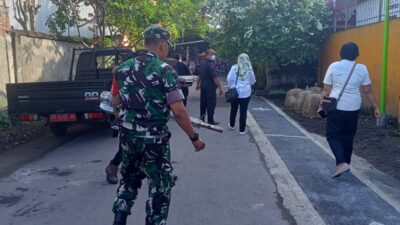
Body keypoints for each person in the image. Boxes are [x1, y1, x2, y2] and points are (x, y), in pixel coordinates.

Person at [111, 25, 206, 225]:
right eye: (168, 46)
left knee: (128, 182)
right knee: (159, 189)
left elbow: (115, 102)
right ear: (162, 45)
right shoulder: (165, 71)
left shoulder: (122, 68)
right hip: (154, 142)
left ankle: (118, 221)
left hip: (128, 138)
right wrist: (194, 138)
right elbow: (178, 112)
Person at [318, 42, 380, 178]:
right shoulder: (362, 68)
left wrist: (321, 105)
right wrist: (376, 107)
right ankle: (345, 163)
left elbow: (327, 89)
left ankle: (341, 163)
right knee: (348, 136)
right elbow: (367, 90)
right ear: (356, 54)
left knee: (333, 135)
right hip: (353, 107)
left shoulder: (333, 66)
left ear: (341, 54)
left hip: (336, 107)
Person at [105, 52, 137, 185]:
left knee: (143, 142)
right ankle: (112, 167)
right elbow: (115, 98)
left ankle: (162, 172)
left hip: (136, 114)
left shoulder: (133, 73)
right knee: (126, 145)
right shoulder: (121, 75)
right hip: (124, 114)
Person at [227, 53, 256, 134]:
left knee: (233, 109)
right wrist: (247, 84)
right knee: (243, 111)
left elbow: (229, 78)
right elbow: (253, 80)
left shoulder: (234, 67)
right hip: (246, 93)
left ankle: (232, 125)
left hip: (235, 92)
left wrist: (231, 86)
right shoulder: (249, 68)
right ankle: (242, 130)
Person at [195, 49, 223, 125]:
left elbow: (199, 75)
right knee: (211, 103)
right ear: (207, 54)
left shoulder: (202, 63)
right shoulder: (210, 65)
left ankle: (202, 118)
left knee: (203, 103)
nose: (214, 56)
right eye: (212, 54)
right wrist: (220, 88)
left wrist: (198, 84)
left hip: (203, 86)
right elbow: (215, 78)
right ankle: (210, 120)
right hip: (210, 87)